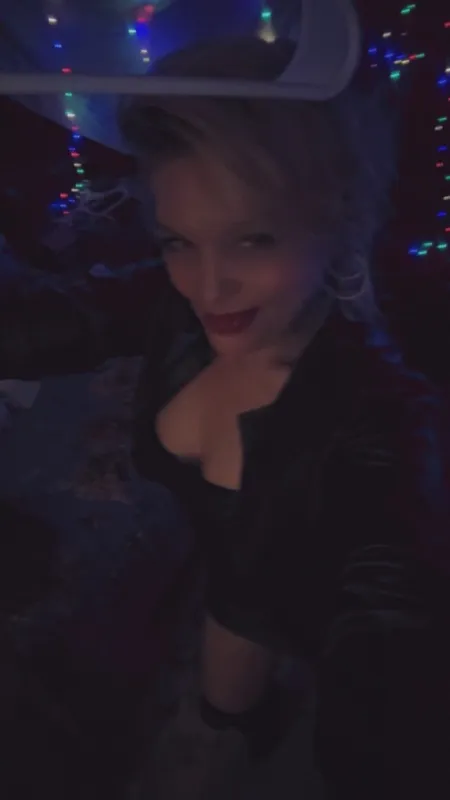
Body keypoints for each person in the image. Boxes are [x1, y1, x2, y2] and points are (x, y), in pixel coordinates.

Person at [1, 3, 449, 798]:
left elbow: (391, 638)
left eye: (254, 238)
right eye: (179, 240)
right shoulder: (175, 305)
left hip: (279, 646)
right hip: (218, 607)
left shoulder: (381, 424)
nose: (208, 289)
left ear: (337, 218)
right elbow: (48, 323)